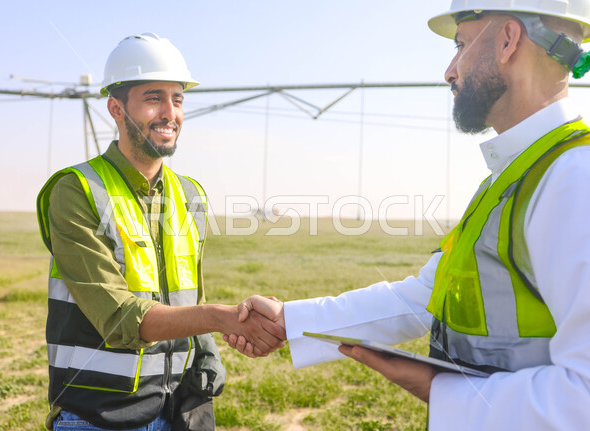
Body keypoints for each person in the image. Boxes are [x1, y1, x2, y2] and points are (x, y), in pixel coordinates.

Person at [227, 1, 590, 429]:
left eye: (459, 46)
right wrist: (292, 320)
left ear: (508, 40)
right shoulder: (514, 177)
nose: (449, 71)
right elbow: (423, 295)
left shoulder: (573, 179)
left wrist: (438, 389)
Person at [37, 33, 284, 431]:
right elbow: (118, 318)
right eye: (154, 98)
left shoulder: (190, 194)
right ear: (116, 109)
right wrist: (224, 318)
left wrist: (210, 356)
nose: (170, 112)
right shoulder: (76, 190)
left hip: (180, 409)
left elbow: (190, 294)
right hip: (100, 415)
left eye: (178, 98)